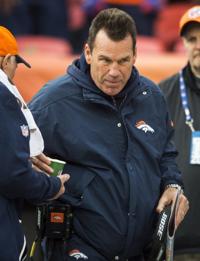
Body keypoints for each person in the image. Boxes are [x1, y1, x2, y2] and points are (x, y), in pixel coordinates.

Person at [29, 8, 189, 261]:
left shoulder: (152, 96)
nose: (114, 72)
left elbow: (165, 153)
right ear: (88, 53)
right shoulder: (51, 104)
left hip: (141, 250)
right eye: (105, 60)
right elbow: (14, 162)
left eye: (123, 61)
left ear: (135, 55)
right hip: (77, 248)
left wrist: (172, 185)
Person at [0, 25, 70, 261]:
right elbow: (12, 176)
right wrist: (50, 186)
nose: (15, 72)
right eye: (16, 65)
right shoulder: (3, 96)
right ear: (6, 60)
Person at [159, 5, 200, 260]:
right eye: (192, 39)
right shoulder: (161, 94)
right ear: (183, 43)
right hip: (180, 245)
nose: (198, 45)